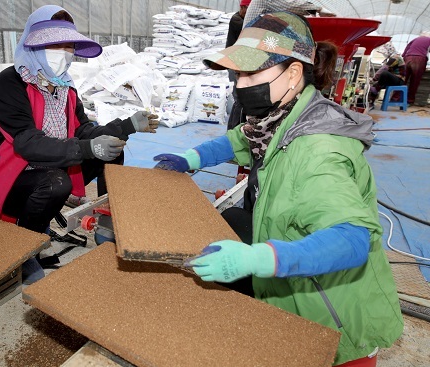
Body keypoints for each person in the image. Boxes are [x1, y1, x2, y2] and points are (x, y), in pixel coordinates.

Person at [154, 12, 403, 366]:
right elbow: (238, 140)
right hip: (296, 291)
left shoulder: (318, 150)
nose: (241, 85)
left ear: (293, 72)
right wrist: (190, 158)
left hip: (334, 317)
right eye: (238, 74)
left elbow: (352, 240)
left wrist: (258, 258)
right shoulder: (280, 118)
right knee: (237, 218)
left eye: (253, 73)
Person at [0, 5, 158, 284]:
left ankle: (108, 226)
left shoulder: (64, 87)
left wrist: (128, 126)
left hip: (52, 162)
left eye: (68, 45)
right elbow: (27, 143)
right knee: (55, 182)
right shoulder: (10, 83)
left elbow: (83, 129)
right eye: (54, 44)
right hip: (12, 174)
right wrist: (87, 149)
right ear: (34, 45)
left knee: (112, 151)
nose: (63, 52)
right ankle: (27, 250)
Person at [226, 0, 251, 131]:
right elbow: (250, 29)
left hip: (240, 62)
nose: (246, 12)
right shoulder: (237, 20)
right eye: (244, 8)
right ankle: (233, 128)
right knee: (239, 98)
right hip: (234, 62)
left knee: (240, 98)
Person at [402, 34, 430, 105]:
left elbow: (407, 47)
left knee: (403, 79)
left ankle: (396, 98)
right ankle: (409, 100)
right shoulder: (429, 40)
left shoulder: (416, 39)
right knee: (414, 81)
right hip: (419, 60)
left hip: (408, 58)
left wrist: (404, 56)